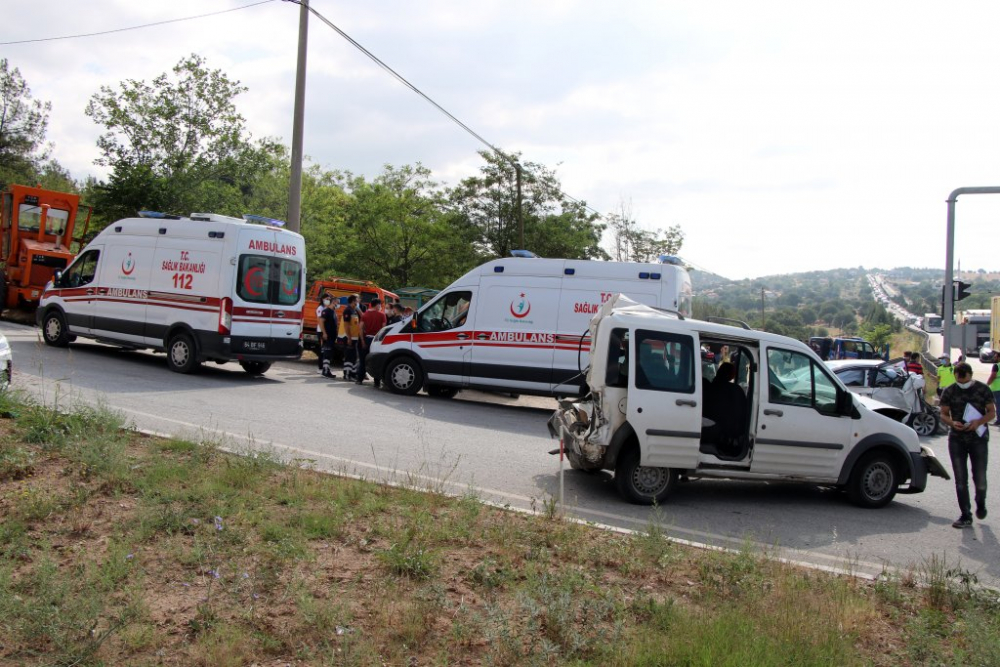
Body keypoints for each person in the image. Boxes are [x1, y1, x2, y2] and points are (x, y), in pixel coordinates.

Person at [939, 362, 995, 528]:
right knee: (960, 480)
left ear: (971, 375)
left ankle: (981, 502)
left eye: (965, 381)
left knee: (980, 478)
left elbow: (992, 412)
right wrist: (951, 422)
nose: (962, 384)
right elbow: (943, 414)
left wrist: (979, 422)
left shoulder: (983, 389)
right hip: (957, 438)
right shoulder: (949, 390)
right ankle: (965, 514)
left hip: (978, 438)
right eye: (959, 381)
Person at [359, 298, 387, 386]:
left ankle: (359, 379)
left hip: (367, 338)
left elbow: (360, 328)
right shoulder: (382, 315)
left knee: (363, 360)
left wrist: (362, 340)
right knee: (377, 361)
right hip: (377, 340)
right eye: (380, 304)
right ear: (377, 305)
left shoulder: (365, 315)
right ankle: (376, 382)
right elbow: (383, 329)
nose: (381, 306)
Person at [341, 294, 363, 381]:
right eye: (356, 300)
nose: (357, 302)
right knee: (349, 356)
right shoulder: (348, 310)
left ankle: (352, 374)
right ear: (353, 301)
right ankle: (347, 374)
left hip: (355, 337)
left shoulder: (354, 310)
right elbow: (346, 325)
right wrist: (349, 337)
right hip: (349, 337)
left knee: (353, 356)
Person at [317, 295, 338, 379]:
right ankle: (325, 371)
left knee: (329, 354)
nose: (338, 304)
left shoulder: (333, 311)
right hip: (328, 335)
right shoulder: (326, 311)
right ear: (333, 302)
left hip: (332, 336)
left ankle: (327, 370)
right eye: (337, 302)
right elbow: (321, 322)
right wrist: (324, 333)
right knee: (327, 352)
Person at [315, 293, 329, 372]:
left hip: (326, 331)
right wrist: (323, 332)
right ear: (323, 299)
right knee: (322, 349)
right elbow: (319, 320)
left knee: (326, 350)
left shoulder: (327, 308)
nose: (328, 300)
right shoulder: (320, 308)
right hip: (321, 331)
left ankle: (325, 366)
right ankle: (320, 367)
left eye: (329, 299)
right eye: (326, 299)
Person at [989, 361, 1000, 426]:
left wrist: (987, 384)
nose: (994, 356)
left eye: (996, 354)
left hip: (997, 388)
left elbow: (993, 376)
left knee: (998, 405)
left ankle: (999, 421)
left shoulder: (996, 365)